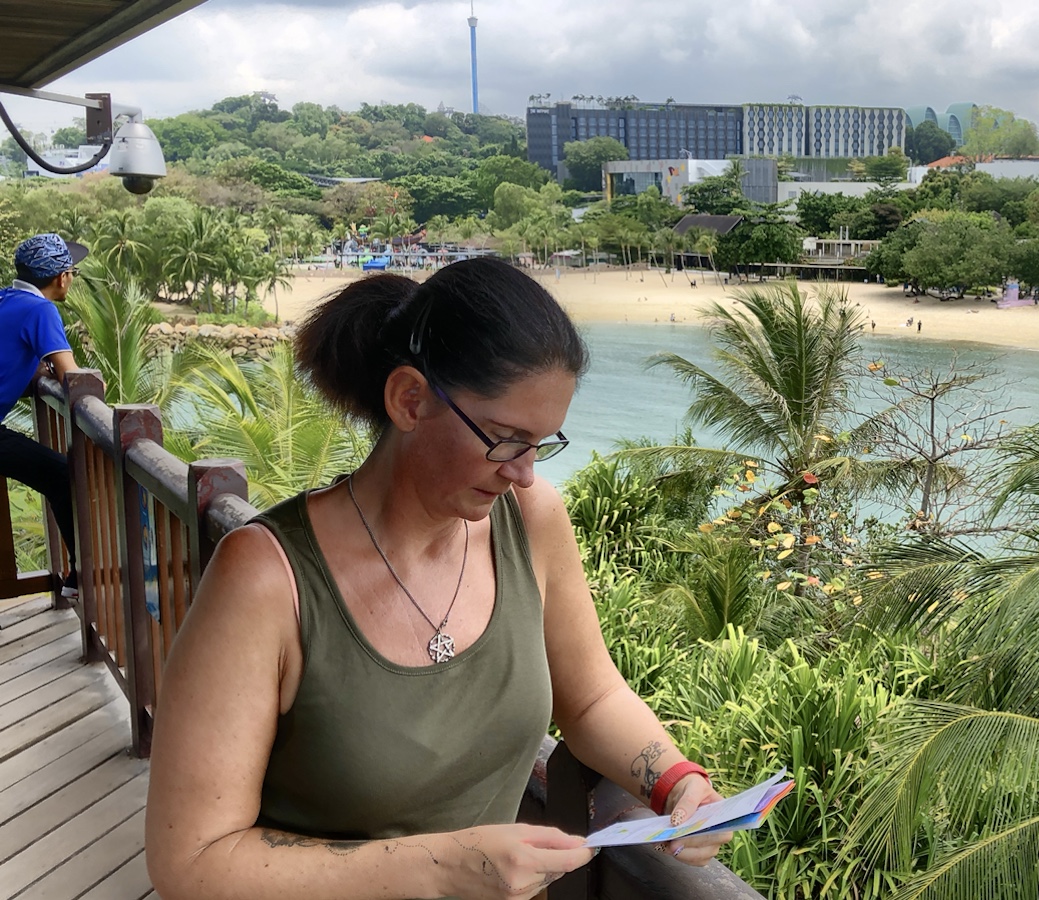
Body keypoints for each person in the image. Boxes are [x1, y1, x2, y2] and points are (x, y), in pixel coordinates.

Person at [145, 260, 732, 900]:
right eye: (505, 439)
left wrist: (675, 781)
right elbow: (192, 863)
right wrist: (440, 867)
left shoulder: (530, 519)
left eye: (542, 443)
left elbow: (590, 698)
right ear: (410, 399)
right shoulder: (263, 578)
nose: (525, 472)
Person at [0, 233, 86, 596]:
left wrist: (34, 370)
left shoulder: (6, 298)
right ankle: (80, 576)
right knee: (61, 474)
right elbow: (73, 377)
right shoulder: (41, 310)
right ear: (62, 278)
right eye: (72, 272)